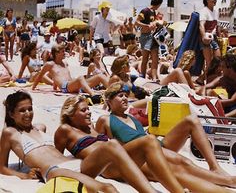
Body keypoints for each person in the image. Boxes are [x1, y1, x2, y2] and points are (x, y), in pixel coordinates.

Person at [96, 82, 236, 192]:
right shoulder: (105, 120)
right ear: (109, 101)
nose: (125, 98)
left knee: (191, 120)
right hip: (139, 157)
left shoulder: (132, 117)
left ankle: (215, 167)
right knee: (182, 164)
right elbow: (96, 148)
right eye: (120, 96)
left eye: (126, 95)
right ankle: (228, 182)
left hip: (155, 146)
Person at [0, 90, 133, 193]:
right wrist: (24, 176)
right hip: (56, 170)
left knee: (113, 151)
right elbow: (2, 167)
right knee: (106, 188)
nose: (28, 113)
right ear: (11, 114)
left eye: (30, 109)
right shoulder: (10, 133)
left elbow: (53, 152)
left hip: (76, 164)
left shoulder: (40, 127)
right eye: (22, 111)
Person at [55, 95, 188, 193]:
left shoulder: (90, 128)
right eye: (83, 110)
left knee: (167, 170)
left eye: (88, 109)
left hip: (117, 159)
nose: (89, 112)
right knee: (148, 140)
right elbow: (56, 157)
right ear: (71, 115)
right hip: (105, 167)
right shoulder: (65, 130)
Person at [32, 44, 108, 101]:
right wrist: (33, 87)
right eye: (62, 52)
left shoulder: (64, 63)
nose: (64, 53)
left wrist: (54, 87)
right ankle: (93, 95)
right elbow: (40, 76)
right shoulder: (50, 64)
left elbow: (57, 76)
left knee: (100, 76)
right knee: (80, 78)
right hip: (66, 87)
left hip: (74, 85)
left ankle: (114, 91)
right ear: (56, 54)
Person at [135, 0, 163, 81]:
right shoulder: (145, 10)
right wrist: (147, 26)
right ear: (158, 4)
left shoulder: (154, 13)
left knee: (155, 58)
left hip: (154, 37)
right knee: (145, 58)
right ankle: (142, 76)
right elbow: (136, 22)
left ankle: (154, 78)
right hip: (146, 37)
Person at [198, 0, 221, 84]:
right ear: (207, 0)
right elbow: (201, 25)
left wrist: (220, 36)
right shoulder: (204, 11)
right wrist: (204, 37)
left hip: (214, 38)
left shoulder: (215, 12)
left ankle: (201, 78)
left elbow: (217, 26)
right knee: (209, 62)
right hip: (206, 39)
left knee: (218, 60)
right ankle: (208, 82)